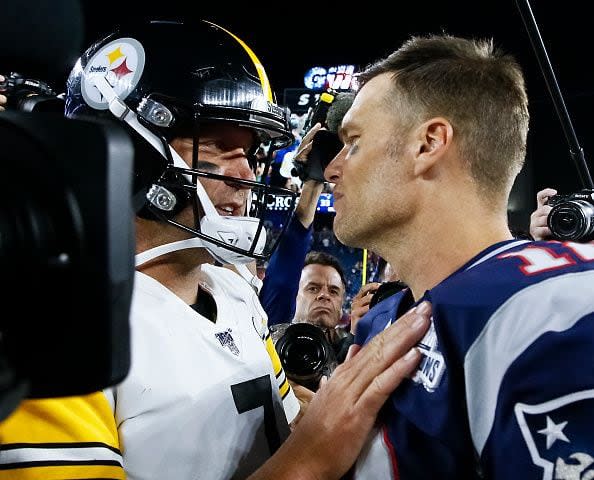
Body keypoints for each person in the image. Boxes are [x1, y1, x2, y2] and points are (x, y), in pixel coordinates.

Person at [0, 20, 431, 480]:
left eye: (250, 151)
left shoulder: (233, 290)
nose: (246, 172)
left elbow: (285, 422)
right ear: (131, 153)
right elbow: (306, 448)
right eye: (221, 145)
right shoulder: (53, 325)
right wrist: (314, 456)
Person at [324, 34, 594, 479]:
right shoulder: (381, 319)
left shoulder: (547, 311)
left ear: (428, 144)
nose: (334, 168)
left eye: (353, 141)